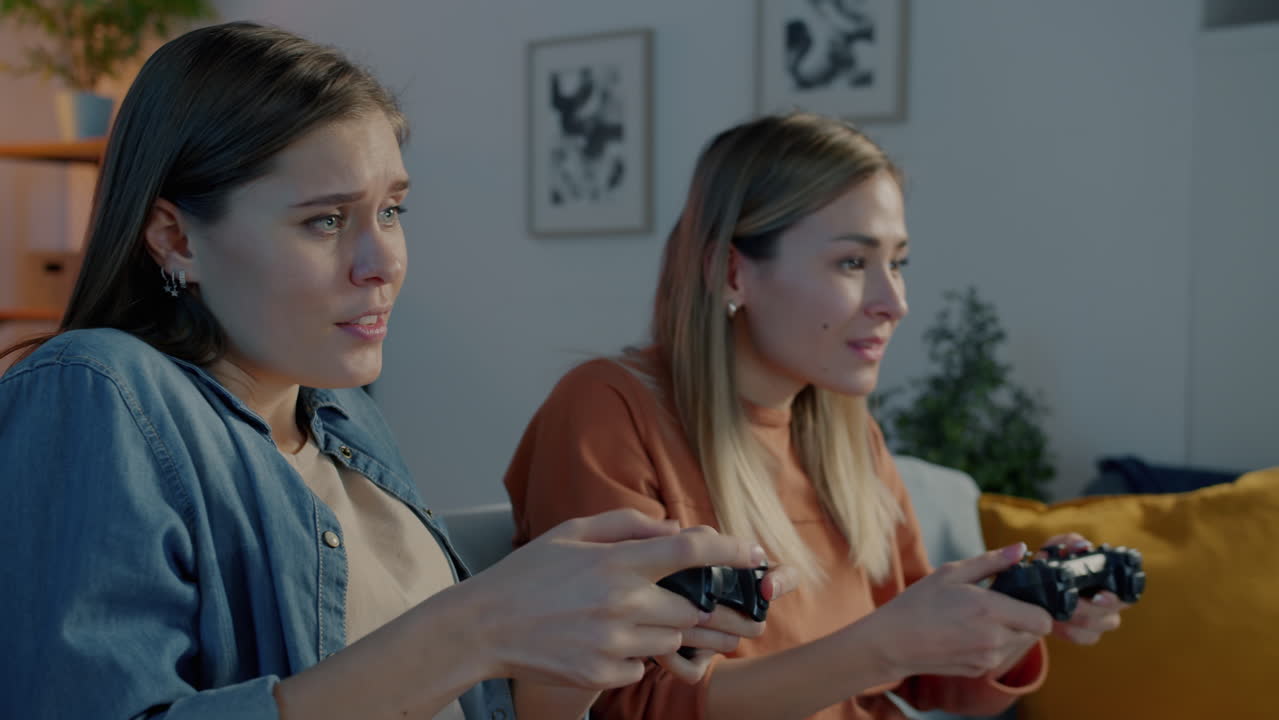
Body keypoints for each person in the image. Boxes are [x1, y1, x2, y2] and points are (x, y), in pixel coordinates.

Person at [0, 22, 790, 720]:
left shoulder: (343, 416)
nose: (384, 262)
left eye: (391, 211)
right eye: (325, 220)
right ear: (174, 239)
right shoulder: (96, 390)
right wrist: (479, 623)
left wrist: (576, 656)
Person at [503, 112, 1128, 720]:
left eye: (898, 262)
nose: (895, 302)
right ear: (731, 271)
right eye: (853, 262)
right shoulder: (609, 412)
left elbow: (932, 677)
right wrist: (884, 644)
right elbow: (626, 707)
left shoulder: (848, 435)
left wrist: (1017, 615)